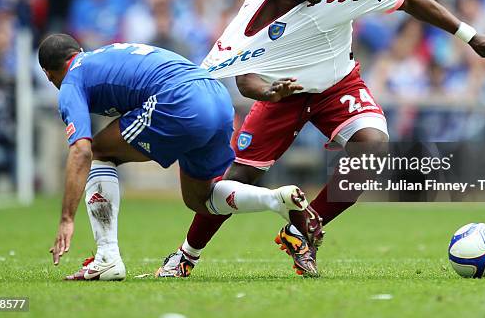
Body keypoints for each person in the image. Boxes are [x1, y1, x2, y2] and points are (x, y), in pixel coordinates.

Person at [158, 0, 485, 277]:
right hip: (284, 94)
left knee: (373, 148)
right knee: (239, 179)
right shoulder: (257, 13)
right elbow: (244, 76)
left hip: (337, 84)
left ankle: (302, 234)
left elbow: (411, 0)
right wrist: (269, 93)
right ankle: (185, 255)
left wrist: (471, 36)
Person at [39, 34, 323, 280]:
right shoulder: (106, 54)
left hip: (179, 99)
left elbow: (81, 150)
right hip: (216, 97)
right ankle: (277, 199)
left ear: (49, 73)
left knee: (100, 152)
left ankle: (106, 258)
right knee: (200, 199)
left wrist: (66, 218)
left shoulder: (71, 81)